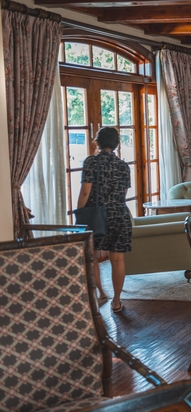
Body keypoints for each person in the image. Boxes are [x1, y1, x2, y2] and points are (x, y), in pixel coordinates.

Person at [76, 127, 132, 313]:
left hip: (96, 215)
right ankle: (117, 301)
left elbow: (86, 191)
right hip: (119, 215)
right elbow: (123, 194)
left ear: (97, 142)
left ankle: (100, 293)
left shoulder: (91, 162)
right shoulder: (123, 166)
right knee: (117, 260)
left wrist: (80, 213)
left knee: (91, 257)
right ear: (116, 144)